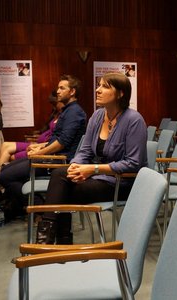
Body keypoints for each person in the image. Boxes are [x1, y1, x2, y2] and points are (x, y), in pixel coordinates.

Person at [35, 72, 148, 245]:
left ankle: (50, 242)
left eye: (104, 86)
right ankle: (55, 242)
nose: (98, 90)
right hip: (98, 176)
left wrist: (92, 169)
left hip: (121, 182)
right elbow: (85, 150)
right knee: (61, 174)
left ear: (120, 93)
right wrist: (75, 166)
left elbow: (133, 163)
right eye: (99, 85)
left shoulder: (134, 120)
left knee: (63, 190)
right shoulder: (97, 116)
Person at [0, 74, 87, 219]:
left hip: (59, 162)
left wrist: (40, 153)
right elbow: (56, 139)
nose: (57, 91)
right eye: (58, 88)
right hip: (52, 157)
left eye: (61, 88)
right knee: (6, 168)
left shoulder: (74, 112)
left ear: (72, 92)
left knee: (5, 177)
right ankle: (35, 206)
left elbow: (62, 142)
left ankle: (42, 209)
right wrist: (39, 147)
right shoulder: (68, 110)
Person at [0, 91, 63, 197]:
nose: (54, 106)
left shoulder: (65, 115)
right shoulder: (56, 114)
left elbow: (57, 140)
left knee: (8, 159)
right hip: (39, 144)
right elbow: (48, 132)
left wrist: (39, 147)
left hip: (42, 148)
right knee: (5, 147)